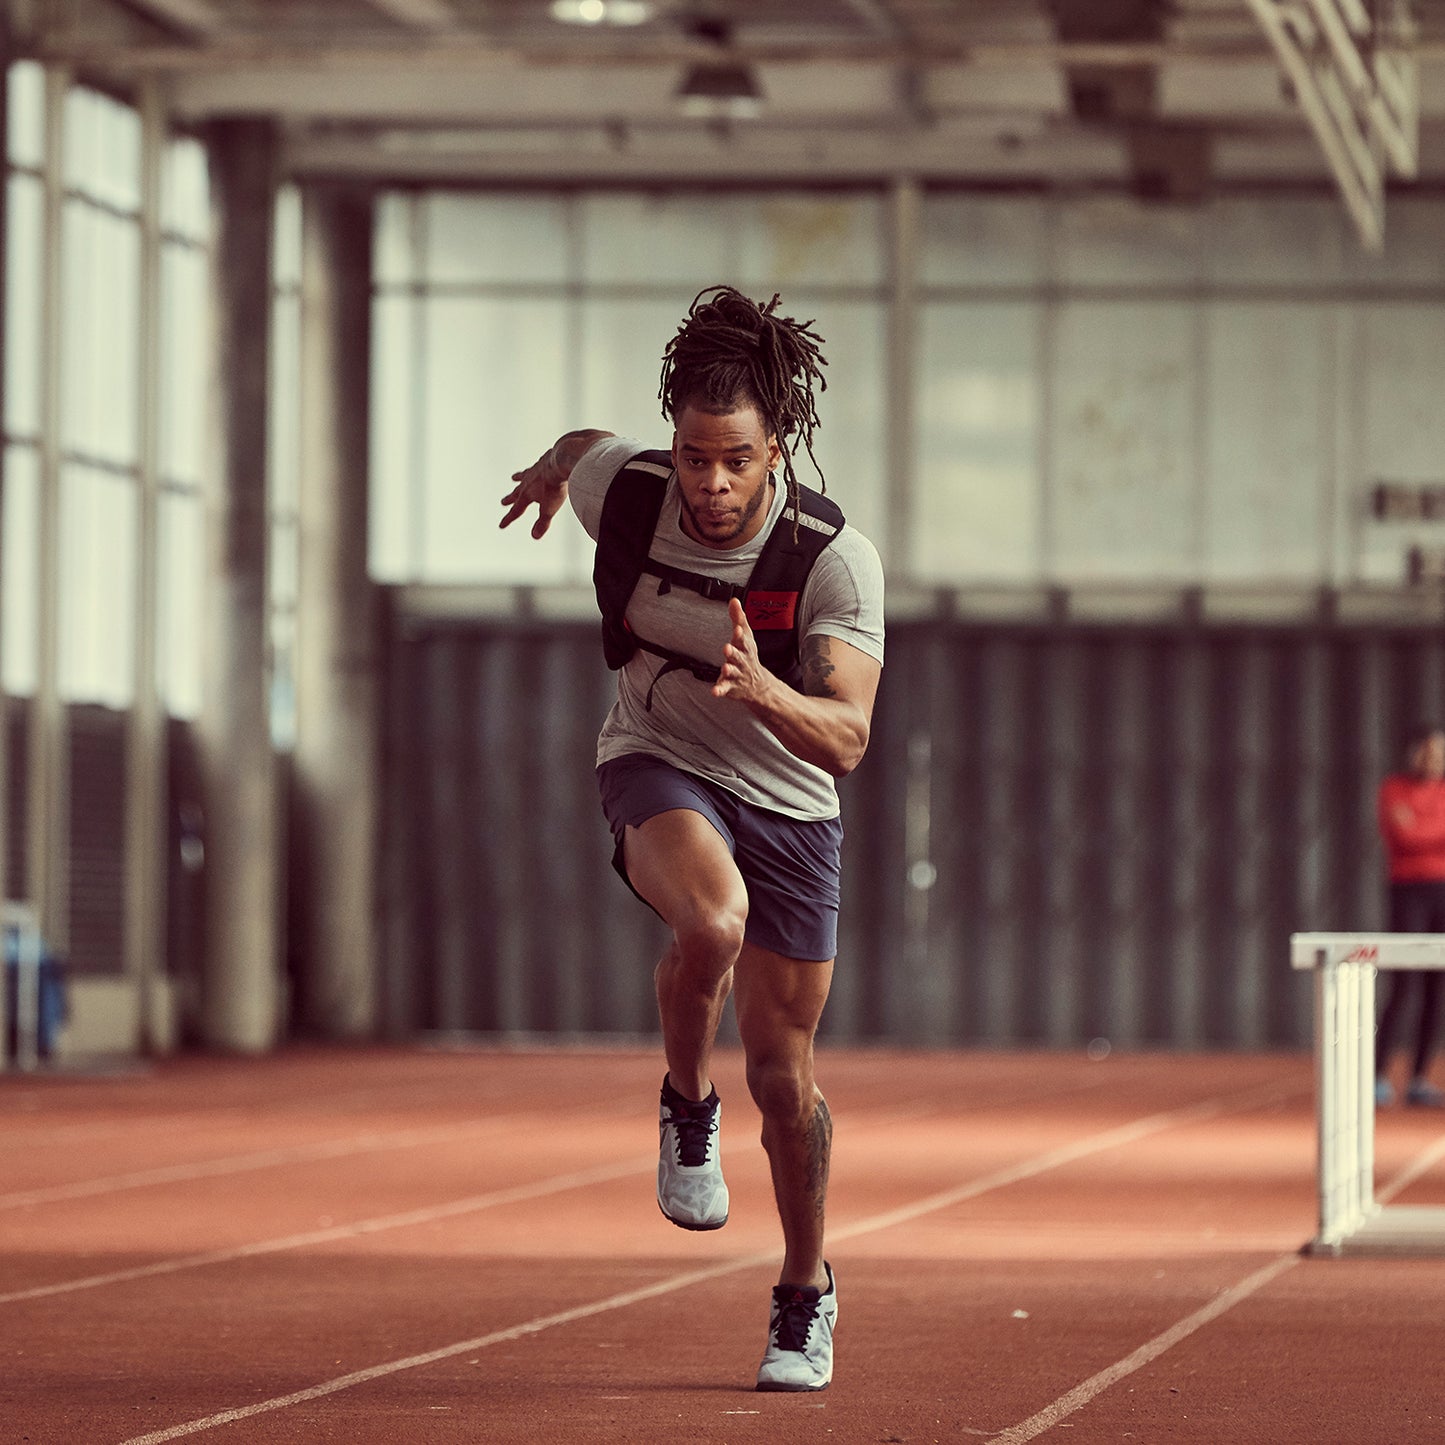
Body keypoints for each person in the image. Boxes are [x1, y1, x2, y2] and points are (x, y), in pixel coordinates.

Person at [499, 285, 884, 1392]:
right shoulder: (625, 490)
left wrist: (763, 688)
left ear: (777, 449)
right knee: (709, 919)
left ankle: (804, 1291)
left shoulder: (829, 559)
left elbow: (847, 737)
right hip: (657, 756)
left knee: (783, 1071)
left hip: (792, 802)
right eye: (692, 456)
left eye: (736, 461)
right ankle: (683, 1104)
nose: (710, 485)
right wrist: (542, 469)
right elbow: (580, 446)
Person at [1374, 723, 1445, 1107]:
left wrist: (1422, 830)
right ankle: (1378, 1075)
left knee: (1437, 988)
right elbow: (1403, 838)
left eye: (1441, 753)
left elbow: (1418, 834)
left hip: (1443, 892)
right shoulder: (1392, 789)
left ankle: (1419, 1078)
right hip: (1407, 893)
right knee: (1402, 985)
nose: (1435, 759)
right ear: (1413, 753)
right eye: (1429, 751)